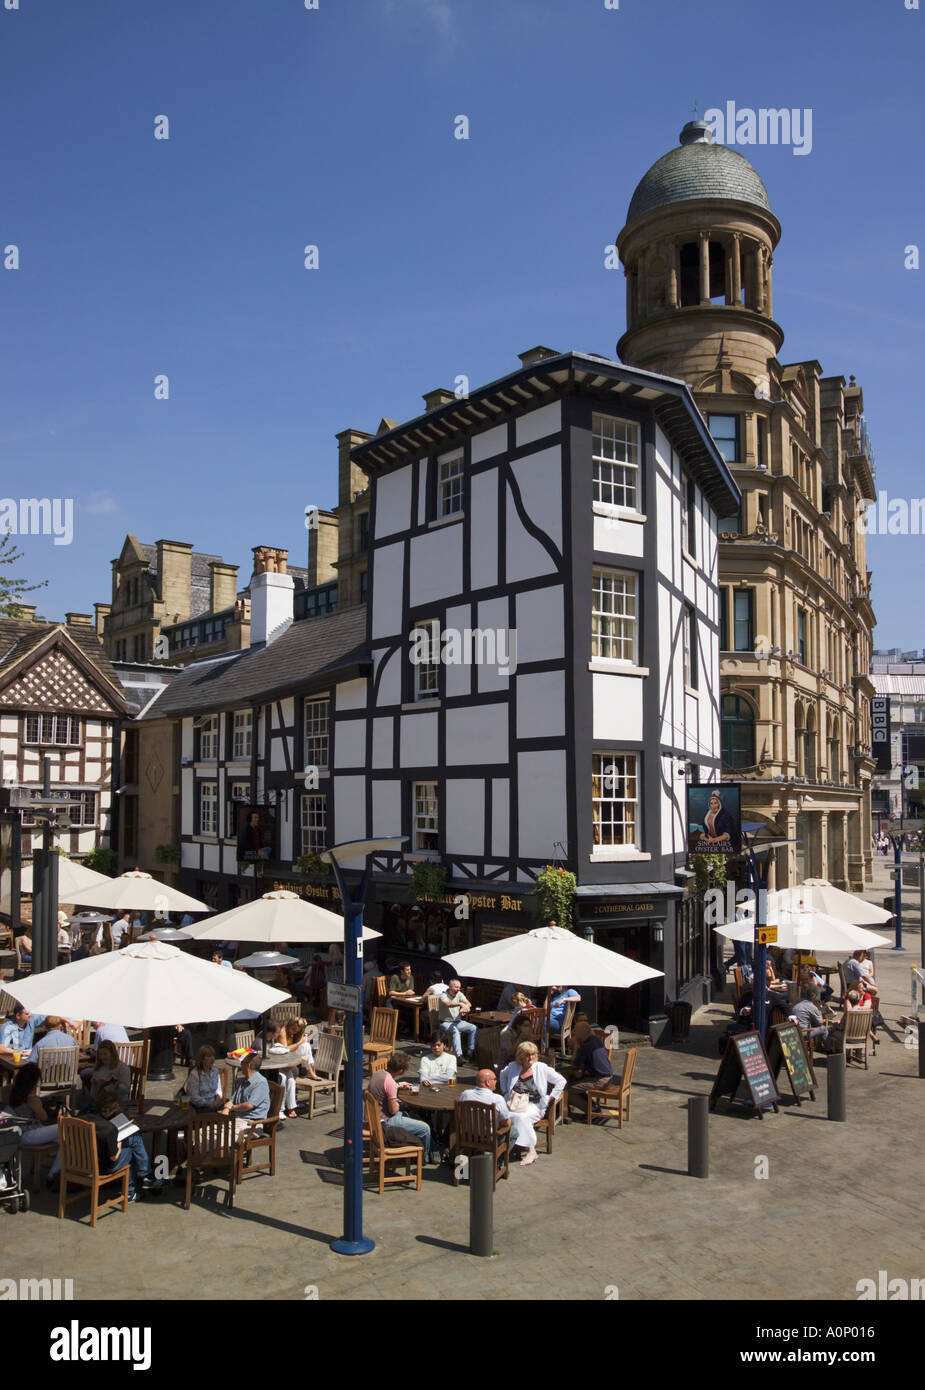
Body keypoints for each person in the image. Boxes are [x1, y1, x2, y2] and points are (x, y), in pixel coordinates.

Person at [87, 1082, 162, 1201]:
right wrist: (119, 1143)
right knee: (132, 1143)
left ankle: (135, 1187)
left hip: (86, 1162)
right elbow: (114, 1157)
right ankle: (143, 1176)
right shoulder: (109, 1130)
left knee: (132, 1143)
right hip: (103, 1166)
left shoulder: (87, 1118)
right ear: (111, 1109)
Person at [499, 1041, 566, 1167]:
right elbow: (502, 1075)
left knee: (521, 1117)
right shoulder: (513, 1066)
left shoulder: (541, 1068)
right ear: (520, 1056)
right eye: (527, 1055)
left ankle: (531, 1149)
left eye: (533, 1054)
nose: (531, 1058)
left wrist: (550, 1098)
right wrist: (504, 1091)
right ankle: (502, 1145)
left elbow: (561, 1081)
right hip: (514, 1102)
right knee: (499, 1112)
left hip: (533, 1105)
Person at [367, 1051, 437, 1163]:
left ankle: (433, 1148)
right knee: (425, 1128)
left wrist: (398, 1085)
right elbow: (393, 1110)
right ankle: (424, 1158)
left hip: (376, 1117)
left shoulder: (378, 1073)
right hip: (386, 1122)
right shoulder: (390, 1083)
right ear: (400, 1071)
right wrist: (399, 1102)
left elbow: (385, 1087)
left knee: (415, 1116)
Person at [1, 1062, 62, 1184]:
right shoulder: (31, 1098)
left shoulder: (10, 1091)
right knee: (64, 1129)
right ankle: (53, 1175)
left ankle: (55, 1173)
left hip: (14, 1133)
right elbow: (44, 1117)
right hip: (29, 1133)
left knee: (64, 1139)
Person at [563, 1021, 615, 1113]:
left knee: (568, 1091)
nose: (573, 1033)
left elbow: (575, 1064)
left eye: (575, 1031)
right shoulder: (595, 1039)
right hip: (607, 1077)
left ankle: (592, 1111)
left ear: (581, 1032)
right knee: (576, 1083)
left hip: (600, 1080)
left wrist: (575, 1046)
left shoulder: (586, 1046)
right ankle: (593, 1105)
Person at [221, 1054, 270, 1139]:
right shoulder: (243, 1081)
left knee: (222, 1137)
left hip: (251, 1124)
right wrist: (226, 1109)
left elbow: (249, 1105)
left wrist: (232, 1108)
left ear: (249, 1065)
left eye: (242, 1062)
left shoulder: (261, 1082)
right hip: (237, 1120)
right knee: (207, 1132)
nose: (240, 1065)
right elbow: (232, 1100)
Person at [280, 1017, 318, 1118]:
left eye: (296, 1031)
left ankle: (310, 1070)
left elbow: (299, 1042)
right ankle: (285, 1109)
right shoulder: (282, 1031)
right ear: (289, 1025)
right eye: (293, 1029)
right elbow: (285, 1049)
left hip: (290, 1056)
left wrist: (303, 1028)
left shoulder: (295, 1033)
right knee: (289, 1080)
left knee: (306, 1046)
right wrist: (299, 1043)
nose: (293, 1033)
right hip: (281, 1058)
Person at [458, 1068, 513, 1135]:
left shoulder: (465, 1094)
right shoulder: (497, 1099)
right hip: (489, 1140)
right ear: (487, 1082)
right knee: (514, 1131)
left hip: (468, 1136)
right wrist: (510, 1122)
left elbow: (460, 1114)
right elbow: (505, 1122)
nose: (496, 1081)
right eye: (495, 1079)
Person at [80, 1040, 131, 1109]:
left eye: (105, 1054)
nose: (102, 1057)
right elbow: (93, 1095)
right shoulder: (99, 1068)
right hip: (100, 1103)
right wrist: (94, 1084)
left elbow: (126, 1090)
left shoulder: (123, 1068)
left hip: (116, 1104)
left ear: (112, 1053)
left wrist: (109, 1084)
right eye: (100, 1054)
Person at [438, 980, 477, 1059]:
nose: (458, 989)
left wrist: (465, 1009)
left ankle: (470, 1052)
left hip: (457, 1022)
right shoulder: (443, 995)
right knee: (455, 1031)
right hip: (445, 1022)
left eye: (459, 987)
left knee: (473, 1028)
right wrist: (460, 1004)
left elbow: (469, 1004)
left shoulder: (459, 994)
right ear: (450, 987)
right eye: (456, 987)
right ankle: (459, 1056)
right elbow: (448, 1004)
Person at [186, 1045, 224, 1111]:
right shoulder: (195, 1074)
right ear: (202, 1059)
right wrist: (208, 1104)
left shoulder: (215, 1071)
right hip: (201, 1107)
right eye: (209, 1056)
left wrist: (216, 1102)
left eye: (213, 1056)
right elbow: (193, 1096)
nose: (212, 1059)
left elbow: (219, 1090)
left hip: (215, 1103)